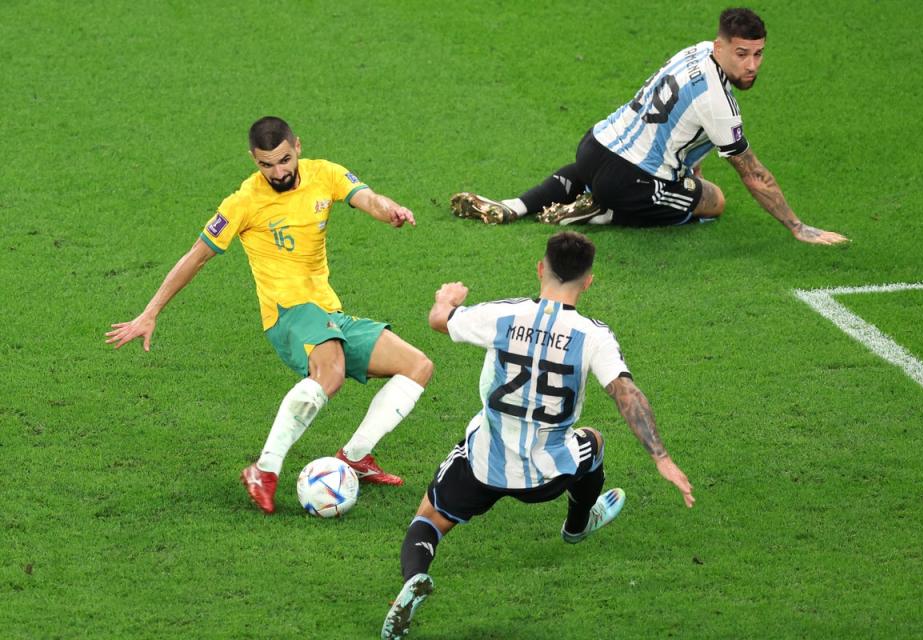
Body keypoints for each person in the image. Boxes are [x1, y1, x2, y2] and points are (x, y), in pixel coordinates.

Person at [106, 116, 434, 513]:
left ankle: (355, 457)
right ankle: (265, 469)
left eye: (284, 160)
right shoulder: (243, 202)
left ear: (297, 146)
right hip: (288, 314)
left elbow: (368, 199)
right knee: (329, 375)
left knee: (417, 366)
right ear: (253, 160)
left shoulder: (324, 174)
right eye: (266, 165)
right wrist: (150, 312)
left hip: (330, 313)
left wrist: (391, 210)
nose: (277, 172)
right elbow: (196, 257)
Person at [381, 231, 694, 640]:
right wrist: (661, 458)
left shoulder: (502, 315)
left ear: (540, 268)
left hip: (483, 465)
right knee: (594, 441)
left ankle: (414, 580)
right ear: (588, 281)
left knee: (428, 519)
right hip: (548, 474)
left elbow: (439, 321)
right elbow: (626, 393)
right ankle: (578, 524)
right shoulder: (594, 335)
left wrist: (447, 298)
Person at [450, 8, 848, 246]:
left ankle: (515, 205)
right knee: (715, 201)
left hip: (595, 145)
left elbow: (682, 123)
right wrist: (798, 226)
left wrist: (687, 169)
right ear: (721, 47)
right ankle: (600, 214)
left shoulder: (694, 52)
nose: (751, 65)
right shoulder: (720, 105)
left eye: (758, 55)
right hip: (631, 181)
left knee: (595, 173)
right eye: (742, 54)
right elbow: (754, 175)